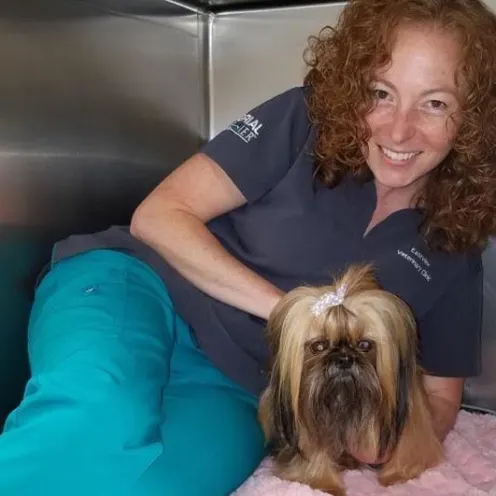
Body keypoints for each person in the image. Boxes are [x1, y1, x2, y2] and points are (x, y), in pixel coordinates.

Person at [1, 0, 496, 494]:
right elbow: (158, 216)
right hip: (140, 288)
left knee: (156, 484)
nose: (399, 128)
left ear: (473, 118)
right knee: (93, 417)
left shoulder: (454, 240)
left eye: (435, 103)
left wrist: (380, 439)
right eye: (381, 93)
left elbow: (440, 396)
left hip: (238, 390)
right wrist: (294, 314)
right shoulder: (303, 121)